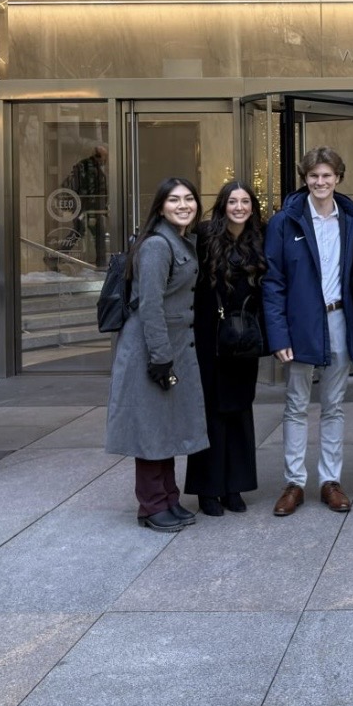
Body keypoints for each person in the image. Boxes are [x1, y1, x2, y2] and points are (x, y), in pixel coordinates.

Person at [263, 147, 353, 517]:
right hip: (299, 325)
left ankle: (330, 481)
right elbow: (273, 282)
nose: (320, 182)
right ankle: (294, 482)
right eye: (313, 176)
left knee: (334, 405)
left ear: (338, 177)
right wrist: (279, 335)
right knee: (295, 405)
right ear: (304, 178)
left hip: (340, 319)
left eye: (326, 175)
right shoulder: (285, 221)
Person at [105, 177, 208, 532]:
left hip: (172, 344)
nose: (184, 205)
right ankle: (151, 505)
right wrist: (160, 358)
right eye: (175, 200)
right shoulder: (156, 246)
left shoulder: (176, 240)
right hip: (151, 347)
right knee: (150, 428)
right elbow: (149, 306)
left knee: (165, 426)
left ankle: (168, 498)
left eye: (189, 199)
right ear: (161, 206)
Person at [185, 181, 266, 516]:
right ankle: (208, 490)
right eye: (233, 201)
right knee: (210, 415)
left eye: (245, 201)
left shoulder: (258, 239)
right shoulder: (204, 236)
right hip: (209, 338)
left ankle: (234, 486)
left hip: (243, 340)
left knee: (239, 412)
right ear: (222, 205)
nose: (239, 207)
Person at [57, 143, 110, 267]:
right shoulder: (91, 168)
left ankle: (55, 257)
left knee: (79, 231)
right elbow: (91, 191)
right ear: (99, 156)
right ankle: (101, 264)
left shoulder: (85, 166)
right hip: (89, 208)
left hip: (84, 207)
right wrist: (96, 210)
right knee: (98, 234)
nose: (106, 160)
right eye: (105, 157)